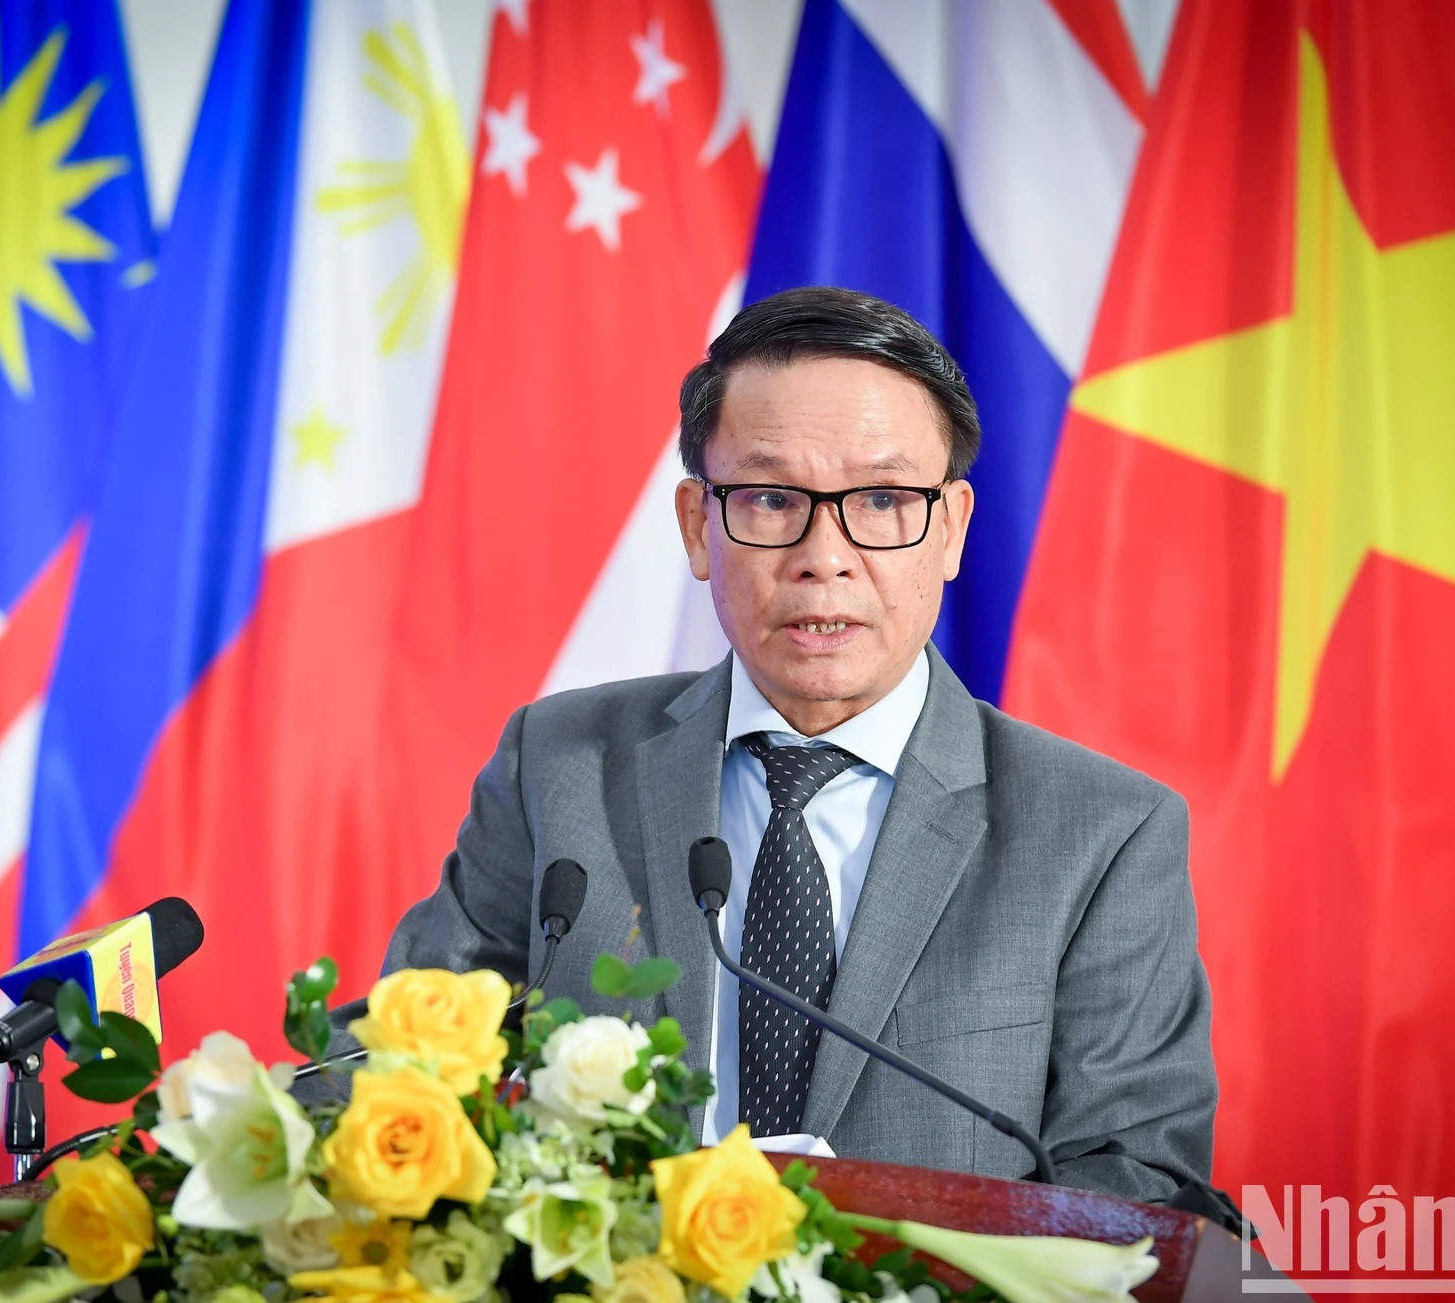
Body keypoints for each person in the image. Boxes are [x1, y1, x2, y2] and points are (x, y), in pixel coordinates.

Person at [368, 286, 1215, 1201]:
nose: (825, 553)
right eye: (773, 498)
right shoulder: (561, 764)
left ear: (953, 529)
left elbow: (1140, 1188)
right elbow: (394, 1071)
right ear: (699, 526)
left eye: (884, 499)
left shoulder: (1102, 832)